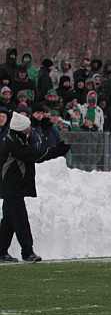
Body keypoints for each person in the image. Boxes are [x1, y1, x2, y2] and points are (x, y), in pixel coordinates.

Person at [0, 112, 70, 262]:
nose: (30, 129)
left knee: (9, 221)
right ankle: (27, 252)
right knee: (20, 220)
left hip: (12, 186)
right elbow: (34, 155)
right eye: (27, 127)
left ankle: (1, 251)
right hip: (11, 187)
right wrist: (56, 151)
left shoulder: (17, 138)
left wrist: (51, 144)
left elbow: (37, 147)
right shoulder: (13, 142)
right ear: (20, 129)